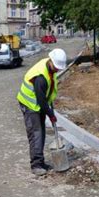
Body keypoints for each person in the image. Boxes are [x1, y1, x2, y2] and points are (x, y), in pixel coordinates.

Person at [17, 48, 67, 176]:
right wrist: (51, 115)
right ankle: (36, 165)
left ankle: (41, 161)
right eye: (56, 67)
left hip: (38, 104)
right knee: (36, 133)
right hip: (30, 105)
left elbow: (47, 94)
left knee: (42, 132)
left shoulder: (49, 68)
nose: (57, 69)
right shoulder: (40, 77)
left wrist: (49, 109)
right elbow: (41, 100)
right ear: (51, 61)